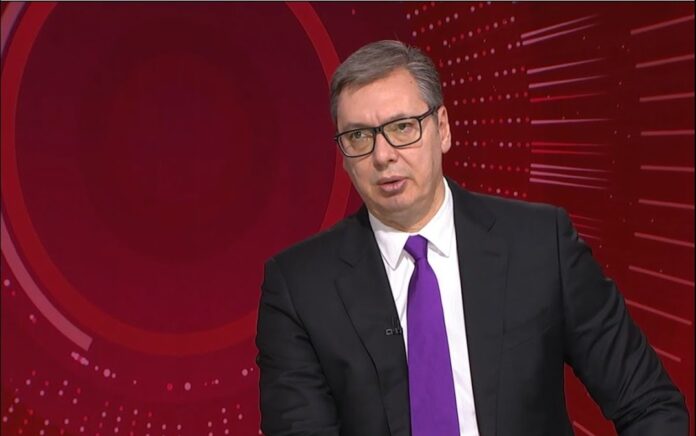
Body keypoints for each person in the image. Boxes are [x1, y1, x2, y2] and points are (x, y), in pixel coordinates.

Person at [255, 40, 688, 436]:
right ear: (344, 154)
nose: (383, 155)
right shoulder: (299, 287)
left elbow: (650, 404)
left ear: (442, 128)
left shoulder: (540, 245)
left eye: (403, 127)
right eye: (359, 137)